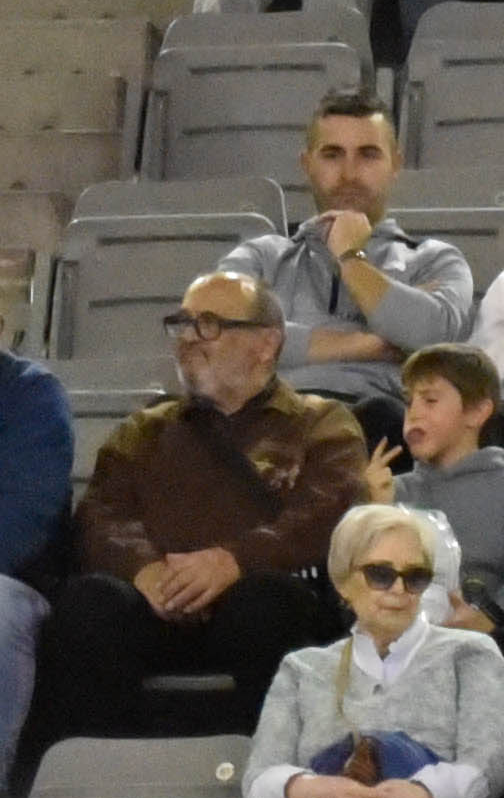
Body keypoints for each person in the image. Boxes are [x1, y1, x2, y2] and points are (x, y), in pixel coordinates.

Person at [20, 273, 364, 757]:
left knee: (266, 604)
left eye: (208, 325)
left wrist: (233, 561)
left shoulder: (320, 423)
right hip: (157, 602)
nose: (187, 338)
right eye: (181, 324)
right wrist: (145, 570)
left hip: (261, 598)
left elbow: (327, 512)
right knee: (89, 604)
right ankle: (99, 775)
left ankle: (276, 771)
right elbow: (101, 513)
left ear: (266, 343)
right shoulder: (146, 429)